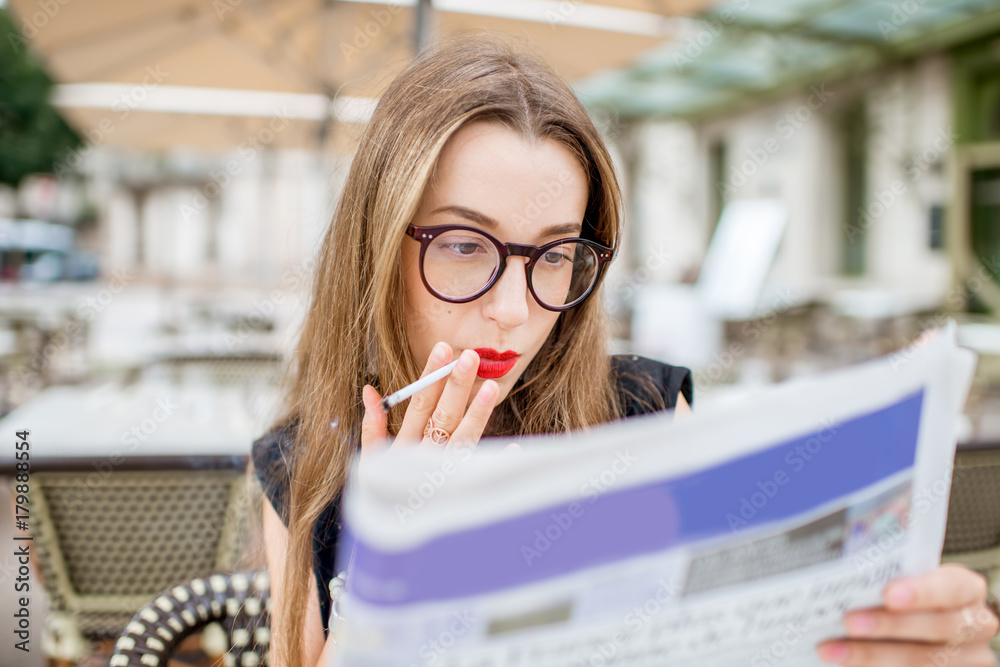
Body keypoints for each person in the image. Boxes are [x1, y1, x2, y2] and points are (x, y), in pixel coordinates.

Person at [252, 35, 999, 667]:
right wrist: (389, 569)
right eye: (459, 243)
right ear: (376, 249)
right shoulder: (302, 466)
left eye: (554, 256)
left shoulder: (637, 410)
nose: (513, 309)